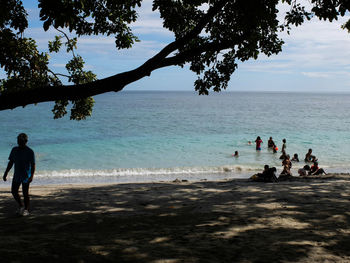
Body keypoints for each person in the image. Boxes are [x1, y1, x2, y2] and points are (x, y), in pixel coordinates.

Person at [3, 133, 35, 216]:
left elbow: (33, 165)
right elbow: (11, 162)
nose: (19, 143)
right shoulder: (14, 150)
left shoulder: (30, 151)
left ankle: (26, 210)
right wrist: (6, 173)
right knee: (14, 191)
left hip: (26, 175)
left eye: (21, 141)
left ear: (26, 141)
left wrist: (31, 176)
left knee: (25, 193)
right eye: (18, 141)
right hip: (17, 175)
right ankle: (21, 206)